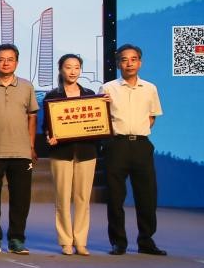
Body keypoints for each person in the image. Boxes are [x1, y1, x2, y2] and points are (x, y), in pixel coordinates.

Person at [103, 44, 166, 256]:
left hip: (141, 145)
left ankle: (146, 241)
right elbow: (100, 117)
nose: (129, 63)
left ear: (140, 62)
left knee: (147, 195)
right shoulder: (107, 88)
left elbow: (152, 117)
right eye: (124, 59)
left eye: (133, 59)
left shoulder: (150, 88)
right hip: (116, 145)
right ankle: (118, 242)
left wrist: (138, 129)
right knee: (115, 196)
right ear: (118, 63)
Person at [0, 44, 39, 255]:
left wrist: (31, 146)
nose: (5, 63)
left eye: (10, 59)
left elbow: (32, 117)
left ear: (17, 62)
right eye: (1, 59)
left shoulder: (26, 86)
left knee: (21, 199)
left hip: (21, 151)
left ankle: (16, 239)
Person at [44, 53, 98, 256]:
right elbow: (47, 125)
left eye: (76, 67)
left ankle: (81, 241)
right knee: (62, 198)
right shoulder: (52, 96)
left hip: (86, 152)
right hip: (61, 152)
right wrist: (50, 135)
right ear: (61, 69)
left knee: (83, 198)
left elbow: (97, 121)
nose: (73, 71)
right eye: (68, 67)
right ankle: (66, 241)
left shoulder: (90, 94)